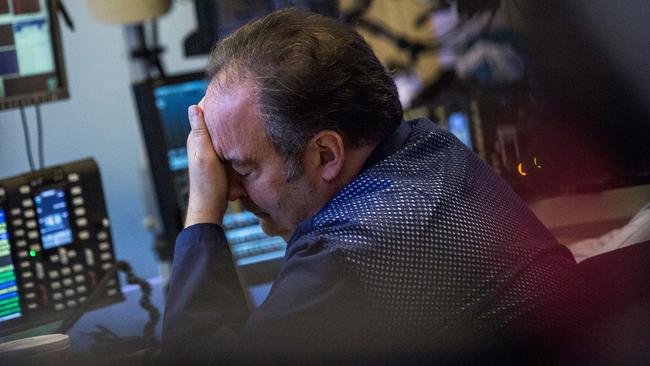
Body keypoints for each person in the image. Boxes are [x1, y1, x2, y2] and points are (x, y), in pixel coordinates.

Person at [162, 8, 589, 364]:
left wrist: (201, 212)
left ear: (326, 155)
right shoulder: (431, 147)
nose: (230, 190)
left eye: (243, 169)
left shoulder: (346, 255)